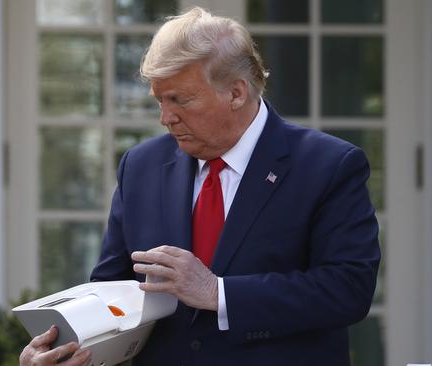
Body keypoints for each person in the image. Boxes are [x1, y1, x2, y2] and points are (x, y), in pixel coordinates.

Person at [20, 6, 380, 366]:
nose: (166, 118)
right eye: (160, 100)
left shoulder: (329, 165)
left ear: (236, 93)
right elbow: (113, 291)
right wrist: (65, 346)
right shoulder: (141, 167)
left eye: (180, 99)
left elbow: (348, 289)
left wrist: (218, 292)